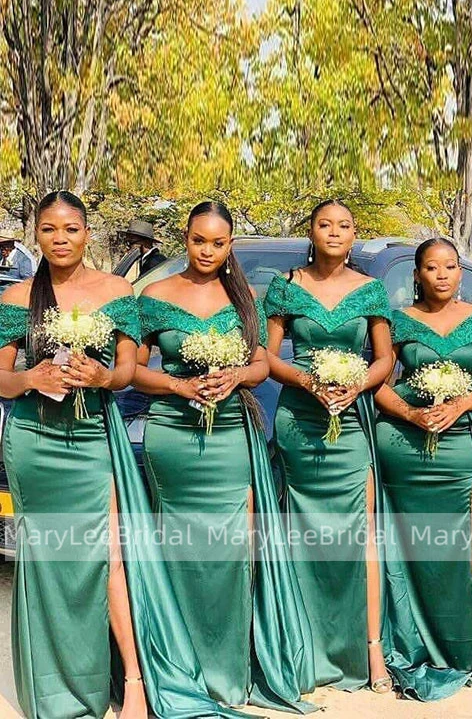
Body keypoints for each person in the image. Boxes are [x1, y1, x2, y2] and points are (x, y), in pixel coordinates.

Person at [0, 191, 242, 719]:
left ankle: (133, 679)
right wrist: (29, 378)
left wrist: (104, 376)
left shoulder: (117, 290)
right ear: (36, 234)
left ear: (87, 233)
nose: (60, 239)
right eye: (48, 230)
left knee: (109, 558)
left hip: (93, 438)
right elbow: (0, 375)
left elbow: (130, 370)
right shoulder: (18, 296)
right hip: (34, 442)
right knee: (46, 560)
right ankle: (54, 688)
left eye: (70, 229)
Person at [133, 201, 315, 710]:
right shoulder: (154, 294)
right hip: (171, 436)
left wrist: (236, 375)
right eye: (198, 240)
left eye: (217, 242)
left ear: (229, 244)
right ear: (185, 238)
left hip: (232, 436)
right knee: (178, 553)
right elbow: (131, 371)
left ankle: (228, 672)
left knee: (233, 556)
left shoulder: (244, 298)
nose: (207, 250)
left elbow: (261, 362)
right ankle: (177, 668)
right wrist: (177, 384)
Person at [374, 238, 472, 701]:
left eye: (450, 266)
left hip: (461, 440)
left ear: (460, 273)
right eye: (431, 267)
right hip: (406, 443)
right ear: (416, 275)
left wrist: (458, 405)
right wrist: (410, 413)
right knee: (409, 545)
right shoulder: (399, 322)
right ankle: (411, 635)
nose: (442, 274)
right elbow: (379, 381)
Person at [264, 199, 395, 693]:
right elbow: (267, 356)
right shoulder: (286, 286)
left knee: (361, 537)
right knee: (302, 537)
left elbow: (384, 360)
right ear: (312, 231)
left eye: (344, 225)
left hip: (352, 424)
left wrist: (357, 382)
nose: (334, 232)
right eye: (325, 224)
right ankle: (303, 647)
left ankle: (371, 652)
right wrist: (308, 380)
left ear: (353, 234)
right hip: (300, 421)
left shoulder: (370, 291)